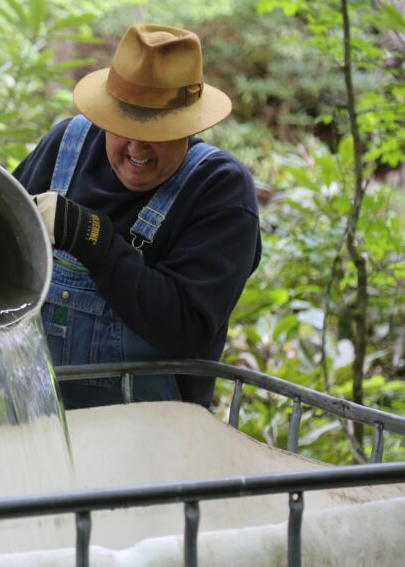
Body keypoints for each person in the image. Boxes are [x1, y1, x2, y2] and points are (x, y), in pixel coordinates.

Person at [14, 24, 262, 409]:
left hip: (154, 444)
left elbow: (185, 329)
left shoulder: (220, 190)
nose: (137, 148)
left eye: (157, 132)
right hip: (38, 423)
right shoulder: (67, 145)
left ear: (188, 125)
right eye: (123, 127)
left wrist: (92, 238)